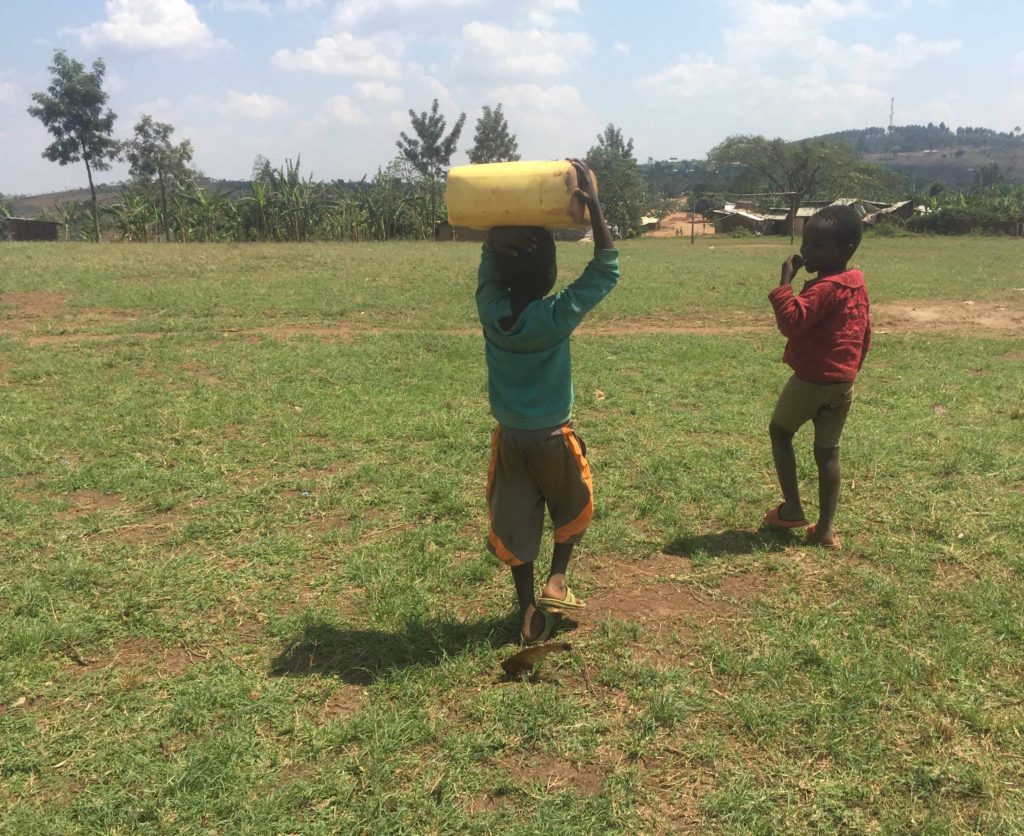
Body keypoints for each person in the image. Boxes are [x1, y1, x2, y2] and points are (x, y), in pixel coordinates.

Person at [476, 159, 618, 644]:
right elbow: (605, 270)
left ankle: (527, 609)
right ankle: (558, 577)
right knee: (572, 504)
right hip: (555, 437)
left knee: (518, 520)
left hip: (512, 438)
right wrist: (595, 209)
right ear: (549, 275)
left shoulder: (491, 312)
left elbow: (490, 271)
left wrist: (493, 242)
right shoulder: (555, 316)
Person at [763, 205, 871, 549]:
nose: (807, 251)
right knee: (828, 452)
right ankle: (825, 531)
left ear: (845, 251)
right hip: (842, 383)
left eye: (817, 246)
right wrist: (851, 371)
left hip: (812, 381)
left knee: (780, 432)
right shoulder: (855, 283)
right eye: (806, 242)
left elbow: (791, 322)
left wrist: (784, 282)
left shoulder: (825, 288)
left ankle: (793, 509)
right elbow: (864, 332)